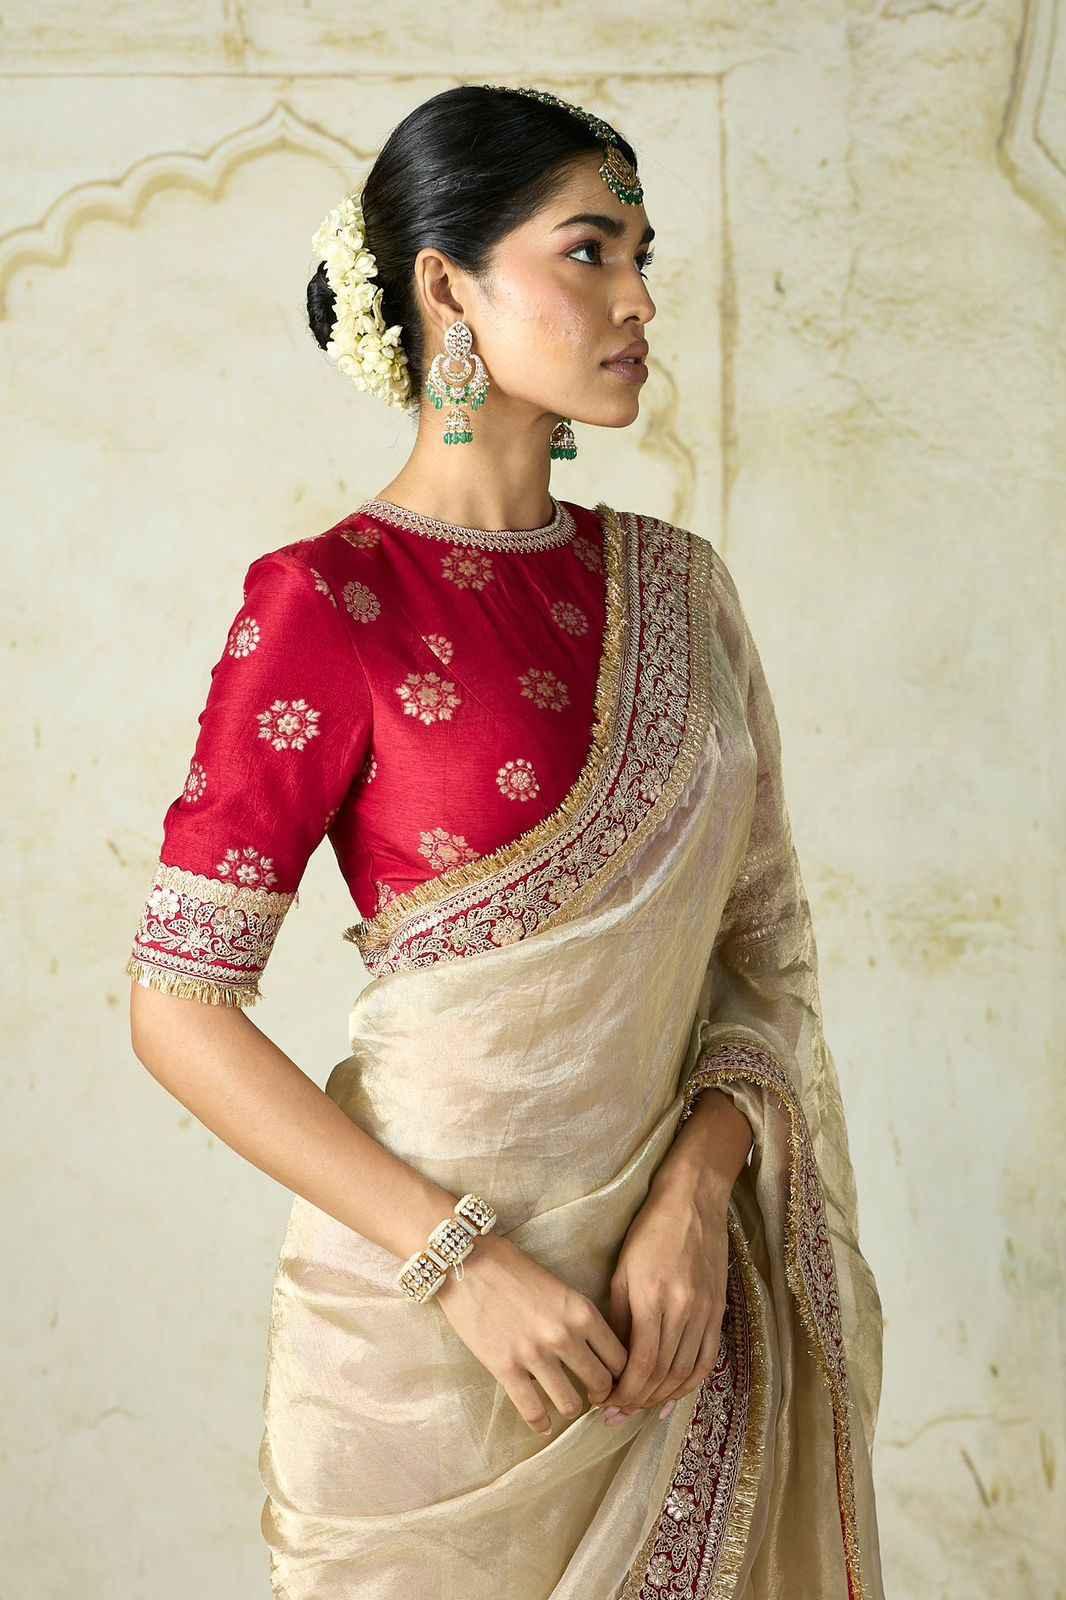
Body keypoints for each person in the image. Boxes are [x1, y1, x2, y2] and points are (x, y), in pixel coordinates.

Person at [126, 83, 886, 1600]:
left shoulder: (680, 586)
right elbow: (176, 1003)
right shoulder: (324, 598)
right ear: (446, 285)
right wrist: (460, 1264)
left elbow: (764, 959)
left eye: (641, 254)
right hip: (429, 1352)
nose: (638, 298)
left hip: (669, 1316)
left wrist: (692, 1194)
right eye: (590, 252)